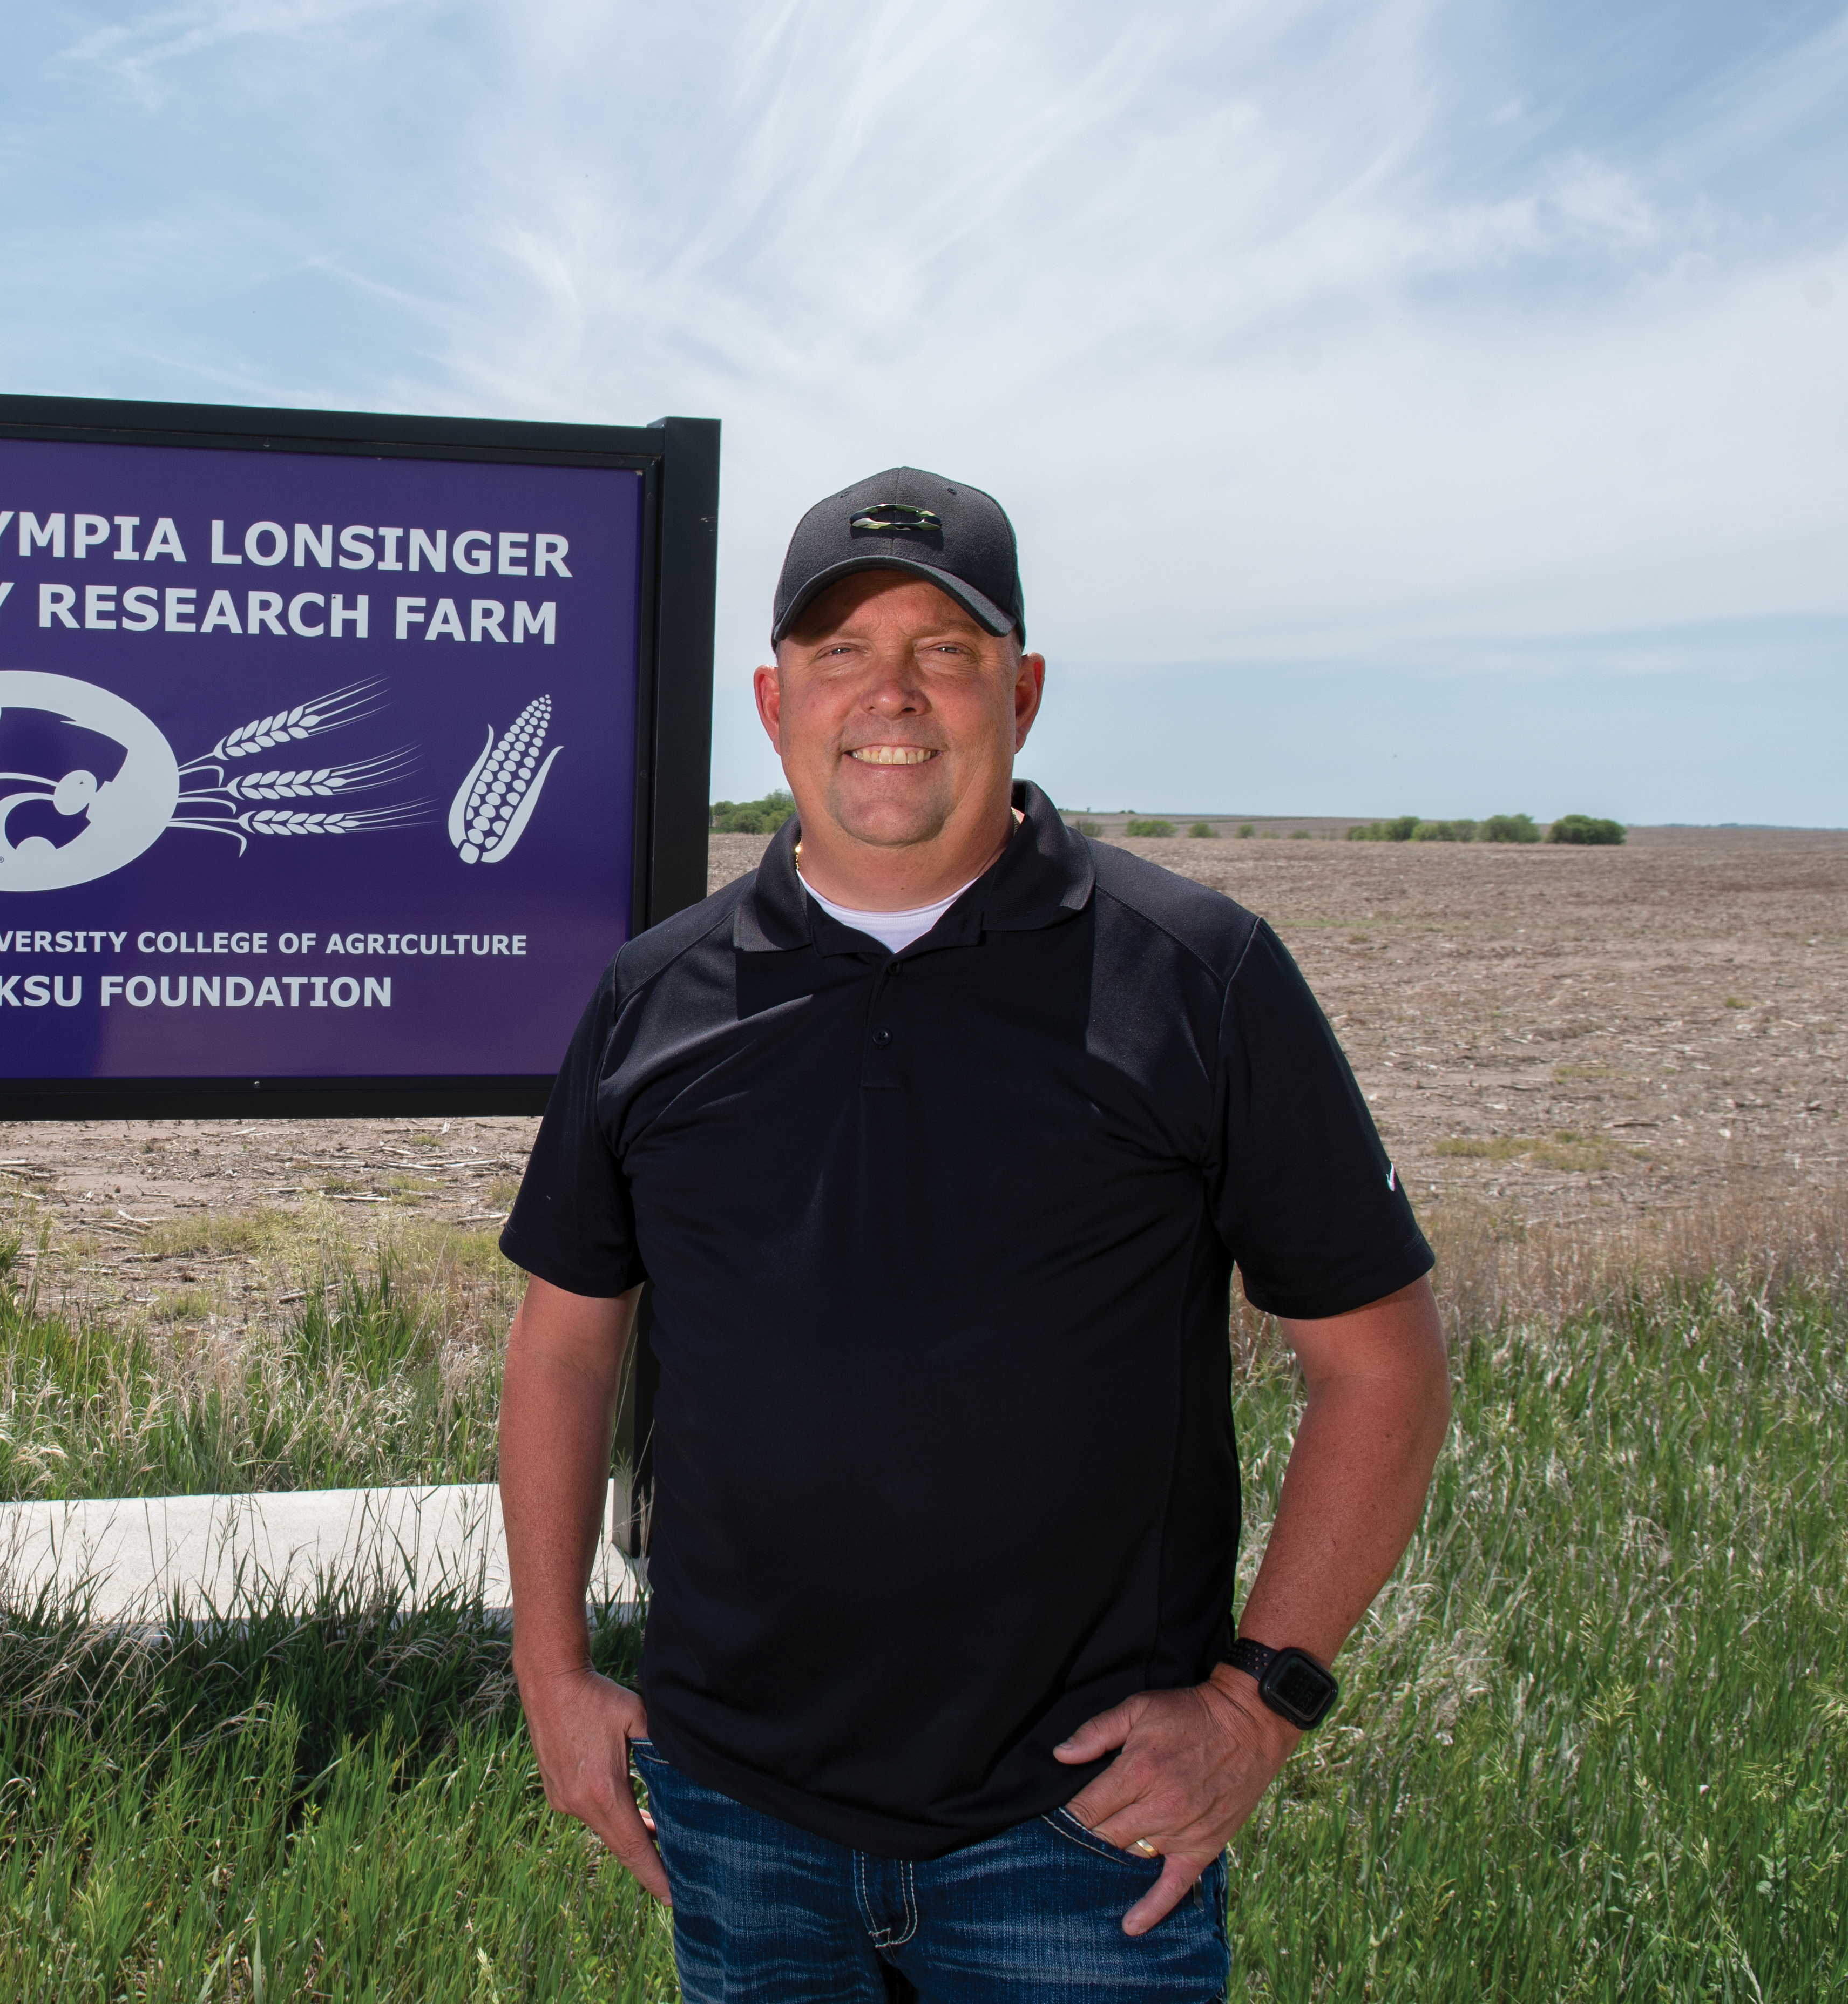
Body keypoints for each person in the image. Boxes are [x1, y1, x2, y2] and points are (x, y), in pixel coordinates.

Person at [497, 468, 1452, 2001]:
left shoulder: (1196, 977)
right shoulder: (654, 998)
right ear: (771, 699)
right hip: (738, 1816)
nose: (891, 696)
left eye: (945, 649)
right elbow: (562, 1348)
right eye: (839, 652)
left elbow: (1381, 1367)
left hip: (1077, 1838)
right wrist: (551, 1674)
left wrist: (1261, 1704)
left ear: (1024, 689)